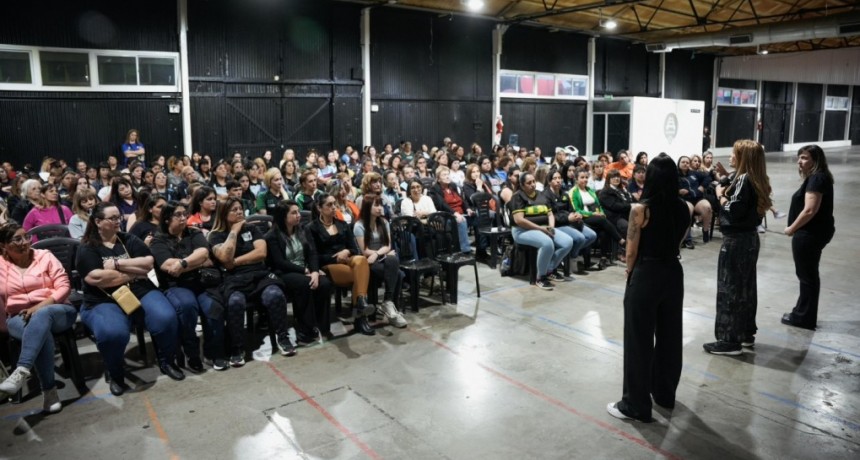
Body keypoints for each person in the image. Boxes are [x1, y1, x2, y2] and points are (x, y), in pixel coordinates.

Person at [606, 153, 691, 423]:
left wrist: (630, 274)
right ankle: (665, 394)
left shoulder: (640, 209)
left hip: (647, 272)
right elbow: (678, 242)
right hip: (673, 273)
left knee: (638, 340)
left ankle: (635, 404)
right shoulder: (684, 207)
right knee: (670, 336)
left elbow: (631, 252)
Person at [76, 202, 183, 395]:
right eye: (113, 218)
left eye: (119, 217)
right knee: (113, 333)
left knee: (165, 317)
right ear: (98, 221)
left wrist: (116, 264)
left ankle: (167, 361)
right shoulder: (87, 247)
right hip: (103, 299)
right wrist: (133, 273)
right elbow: (96, 278)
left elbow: (148, 263)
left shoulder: (128, 239)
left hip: (139, 290)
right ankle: (115, 374)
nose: (119, 221)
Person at [208, 197, 295, 366]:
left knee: (275, 294)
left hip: (258, 274)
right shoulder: (216, 235)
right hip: (234, 279)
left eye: (240, 208)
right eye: (234, 210)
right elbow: (224, 256)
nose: (239, 212)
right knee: (235, 302)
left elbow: (261, 253)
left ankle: (283, 338)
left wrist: (235, 262)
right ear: (224, 214)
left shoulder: (252, 228)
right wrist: (234, 231)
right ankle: (237, 348)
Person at [703, 140, 771, 355]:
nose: (730, 157)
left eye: (734, 154)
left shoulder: (744, 180)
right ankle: (745, 333)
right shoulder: (757, 178)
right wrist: (726, 176)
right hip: (749, 240)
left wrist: (720, 195)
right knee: (746, 288)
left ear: (743, 158)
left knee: (730, 288)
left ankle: (729, 340)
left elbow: (732, 210)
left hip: (736, 241)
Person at [0, 223, 77, 413]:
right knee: (42, 333)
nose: (24, 242)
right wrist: (3, 327)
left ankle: (22, 369)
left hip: (57, 309)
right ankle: (49, 392)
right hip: (18, 316)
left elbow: (64, 286)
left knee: (42, 315)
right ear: (3, 245)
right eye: (17, 239)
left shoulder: (45, 256)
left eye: (26, 237)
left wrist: (38, 307)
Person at [151, 201, 227, 371]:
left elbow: (204, 254)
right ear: (166, 219)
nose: (183, 217)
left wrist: (184, 264)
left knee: (213, 307)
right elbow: (168, 267)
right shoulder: (158, 241)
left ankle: (213, 352)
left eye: (184, 214)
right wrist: (197, 262)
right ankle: (192, 354)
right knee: (187, 306)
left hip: (201, 282)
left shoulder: (193, 232)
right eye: (178, 215)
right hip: (176, 285)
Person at [781, 145, 835, 331]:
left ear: (815, 160)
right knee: (808, 275)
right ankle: (802, 312)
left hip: (809, 234)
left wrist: (791, 228)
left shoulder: (817, 179)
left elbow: (810, 210)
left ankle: (804, 317)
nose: (799, 161)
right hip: (813, 233)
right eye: (799, 157)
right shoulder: (818, 177)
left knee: (807, 276)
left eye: (804, 157)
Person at [306, 193, 376, 335]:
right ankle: (360, 318)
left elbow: (355, 249)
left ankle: (360, 302)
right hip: (328, 264)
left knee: (361, 260)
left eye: (334, 204)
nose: (334, 207)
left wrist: (346, 251)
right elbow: (313, 255)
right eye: (329, 205)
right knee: (359, 275)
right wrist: (334, 258)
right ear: (320, 208)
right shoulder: (311, 228)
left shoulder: (342, 224)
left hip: (348, 259)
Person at [265, 200, 333, 345]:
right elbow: (279, 262)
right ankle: (305, 331)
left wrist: (314, 271)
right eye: (294, 213)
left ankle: (321, 326)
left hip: (306, 270)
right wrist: (305, 271)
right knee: (304, 283)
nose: (298, 215)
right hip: (284, 272)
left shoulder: (303, 229)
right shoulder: (272, 236)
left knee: (324, 283)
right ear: (283, 216)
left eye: (298, 212)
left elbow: (313, 253)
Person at [509, 172, 575, 290]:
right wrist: (541, 229)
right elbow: (519, 220)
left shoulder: (541, 195)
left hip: (544, 228)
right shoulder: (517, 197)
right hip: (522, 231)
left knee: (568, 242)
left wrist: (551, 227)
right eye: (529, 183)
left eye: (534, 181)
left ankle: (549, 269)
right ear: (522, 185)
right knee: (547, 243)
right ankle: (540, 277)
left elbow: (550, 214)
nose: (533, 185)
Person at [354, 194, 407, 328]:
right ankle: (392, 309)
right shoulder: (359, 226)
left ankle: (388, 304)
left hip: (380, 258)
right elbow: (365, 251)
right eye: (376, 205)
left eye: (380, 205)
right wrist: (381, 253)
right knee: (398, 273)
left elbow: (387, 245)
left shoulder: (384, 222)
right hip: (367, 262)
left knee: (393, 259)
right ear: (367, 207)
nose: (380, 208)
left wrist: (378, 253)